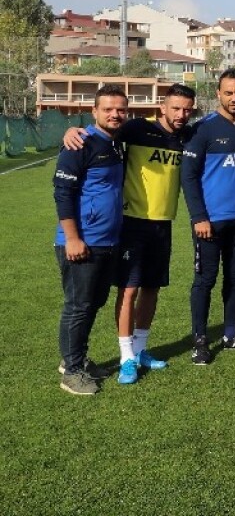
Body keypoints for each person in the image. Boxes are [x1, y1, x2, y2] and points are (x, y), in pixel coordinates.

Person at [112, 84, 196, 384]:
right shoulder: (136, 129)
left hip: (164, 224)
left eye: (187, 109)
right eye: (176, 108)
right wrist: (72, 133)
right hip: (132, 222)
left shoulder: (187, 136)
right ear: (163, 107)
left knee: (152, 288)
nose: (181, 114)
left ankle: (141, 348)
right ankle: (126, 358)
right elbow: (101, 135)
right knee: (129, 290)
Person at [181, 69, 235, 364]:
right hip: (210, 222)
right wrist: (198, 216)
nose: (234, 98)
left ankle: (231, 334)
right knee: (205, 281)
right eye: (228, 93)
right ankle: (200, 341)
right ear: (218, 93)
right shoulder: (203, 129)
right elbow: (189, 177)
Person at [53, 85, 127, 395]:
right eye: (107, 109)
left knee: (93, 303)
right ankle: (71, 371)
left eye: (120, 109)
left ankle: (78, 358)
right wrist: (72, 238)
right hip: (82, 242)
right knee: (78, 306)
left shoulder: (116, 143)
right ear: (94, 112)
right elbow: (62, 192)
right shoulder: (79, 143)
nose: (114, 114)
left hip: (107, 242)